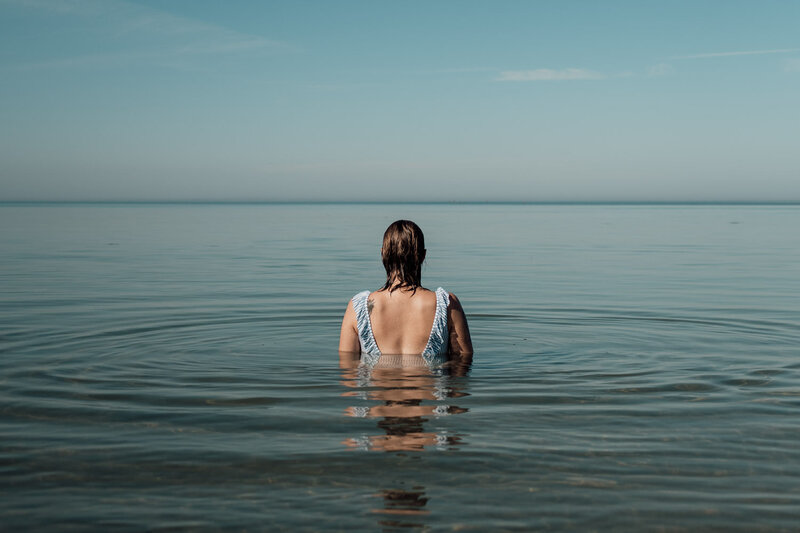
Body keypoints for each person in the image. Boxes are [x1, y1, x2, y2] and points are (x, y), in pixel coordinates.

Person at [339, 220, 473, 367]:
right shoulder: (447, 304)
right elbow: (462, 367)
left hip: (377, 389)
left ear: (383, 253)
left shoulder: (357, 307)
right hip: (430, 389)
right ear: (423, 256)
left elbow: (349, 374)